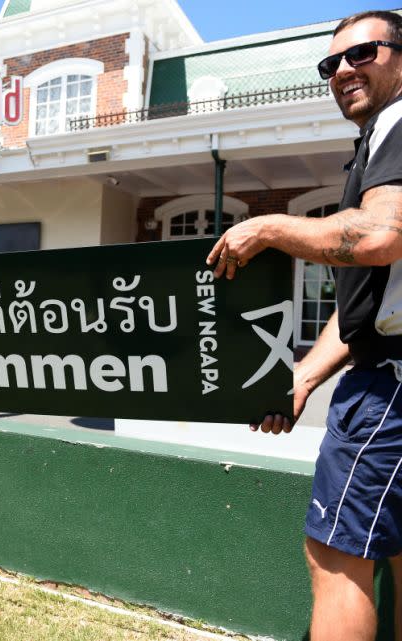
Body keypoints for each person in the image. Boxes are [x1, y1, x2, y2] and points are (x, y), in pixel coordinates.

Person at [207, 10, 402, 640]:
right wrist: (301, 378)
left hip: (390, 389)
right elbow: (369, 306)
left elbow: (380, 236)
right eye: (331, 63)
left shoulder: (399, 125)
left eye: (362, 53)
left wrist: (267, 228)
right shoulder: (378, 139)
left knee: (338, 556)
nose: (343, 70)